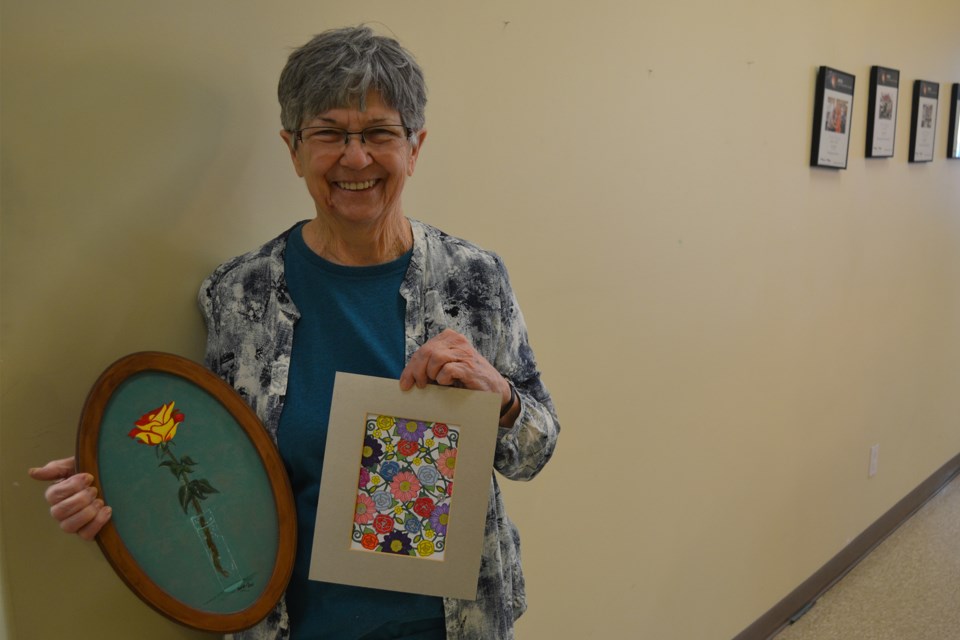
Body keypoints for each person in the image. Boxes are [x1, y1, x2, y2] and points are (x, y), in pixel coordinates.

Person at [30, 25, 559, 640]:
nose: (354, 157)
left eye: (379, 134)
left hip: (450, 624)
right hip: (292, 625)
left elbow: (534, 452)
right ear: (294, 149)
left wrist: (502, 400)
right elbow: (224, 460)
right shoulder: (239, 294)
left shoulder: (473, 278)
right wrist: (122, 476)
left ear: (415, 148)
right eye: (329, 133)